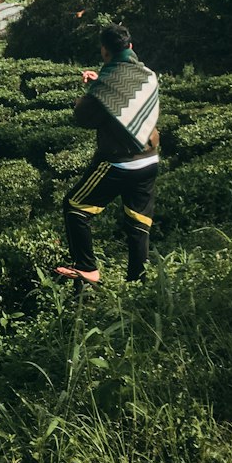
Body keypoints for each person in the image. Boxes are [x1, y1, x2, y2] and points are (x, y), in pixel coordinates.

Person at [55, 22, 160, 285]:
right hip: (149, 159)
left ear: (104, 51)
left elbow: (84, 116)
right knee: (138, 221)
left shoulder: (104, 88)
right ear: (131, 47)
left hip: (119, 162)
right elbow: (125, 94)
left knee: (75, 207)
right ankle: (138, 281)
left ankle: (87, 267)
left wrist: (89, 94)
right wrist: (100, 82)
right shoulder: (147, 75)